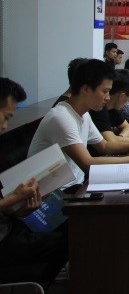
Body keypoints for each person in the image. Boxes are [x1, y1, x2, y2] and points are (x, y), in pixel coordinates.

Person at [28, 60, 129, 187]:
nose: (108, 98)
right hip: (60, 195)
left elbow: (104, 146)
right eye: (105, 91)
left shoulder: (83, 114)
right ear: (86, 89)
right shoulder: (61, 117)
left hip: (78, 184)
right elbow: (87, 164)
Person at [0, 78, 69, 286]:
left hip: (9, 229)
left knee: (74, 230)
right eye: (5, 117)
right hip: (4, 241)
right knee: (74, 240)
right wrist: (13, 199)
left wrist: (18, 208)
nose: (4, 126)